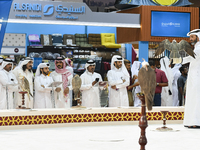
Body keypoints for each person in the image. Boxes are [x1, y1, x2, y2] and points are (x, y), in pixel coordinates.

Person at [182, 29, 200, 128]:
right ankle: (191, 121)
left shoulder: (199, 47)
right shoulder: (196, 47)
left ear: (198, 37)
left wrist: (179, 60)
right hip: (194, 77)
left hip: (198, 77)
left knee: (197, 98)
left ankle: (196, 122)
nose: (190, 39)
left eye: (192, 37)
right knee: (192, 98)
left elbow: (193, 57)